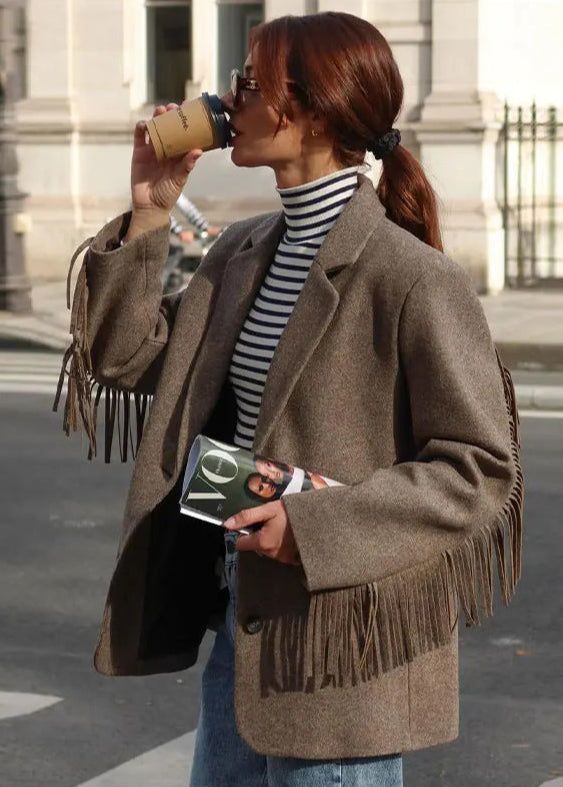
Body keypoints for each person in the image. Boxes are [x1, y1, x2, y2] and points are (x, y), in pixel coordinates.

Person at [57, 11, 523, 787]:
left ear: (313, 112)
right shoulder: (240, 252)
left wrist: (308, 525)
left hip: (340, 643)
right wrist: (150, 209)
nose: (227, 98)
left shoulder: (410, 277)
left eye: (251, 83)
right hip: (242, 619)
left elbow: (477, 469)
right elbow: (127, 357)